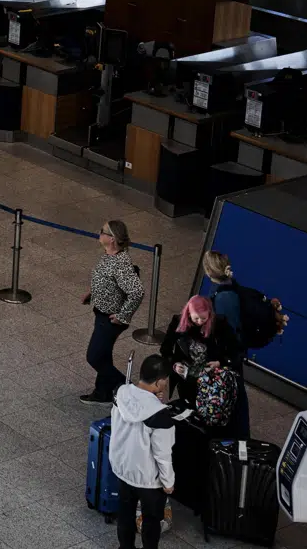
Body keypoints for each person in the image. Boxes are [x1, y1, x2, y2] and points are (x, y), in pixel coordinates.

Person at [203, 251, 274, 438]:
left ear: (208, 271)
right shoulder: (229, 286)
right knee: (236, 396)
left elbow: (231, 335)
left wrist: (223, 360)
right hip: (231, 355)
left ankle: (236, 439)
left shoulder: (224, 298)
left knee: (233, 396)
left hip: (228, 356)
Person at [109, 355, 177, 549]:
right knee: (151, 522)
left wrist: (153, 399)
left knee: (125, 515)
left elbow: (136, 405)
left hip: (123, 468)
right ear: (158, 382)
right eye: (165, 380)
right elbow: (163, 455)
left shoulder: (120, 393)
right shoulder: (161, 416)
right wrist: (168, 482)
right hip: (148, 478)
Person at [81, 219, 146, 405]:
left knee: (94, 357)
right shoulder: (109, 255)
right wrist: (92, 293)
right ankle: (102, 393)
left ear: (112, 239)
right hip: (101, 312)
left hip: (110, 319)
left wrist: (122, 316)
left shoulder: (120, 264)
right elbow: (105, 279)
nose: (99, 233)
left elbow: (137, 292)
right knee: (104, 354)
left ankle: (130, 390)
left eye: (103, 231)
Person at [160, 295, 240, 416]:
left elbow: (235, 349)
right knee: (188, 406)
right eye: (196, 318)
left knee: (208, 408)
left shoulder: (219, 324)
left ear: (210, 314)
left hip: (210, 378)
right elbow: (165, 349)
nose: (200, 322)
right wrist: (174, 364)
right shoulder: (178, 322)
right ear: (188, 314)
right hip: (186, 377)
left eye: (204, 318)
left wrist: (220, 362)